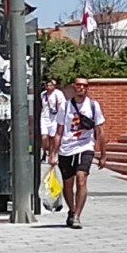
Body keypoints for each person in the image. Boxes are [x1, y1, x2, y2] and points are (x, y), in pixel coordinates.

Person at [48, 77, 107, 229]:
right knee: (68, 184)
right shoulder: (65, 107)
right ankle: (71, 210)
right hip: (67, 149)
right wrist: (52, 153)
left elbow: (100, 132)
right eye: (79, 85)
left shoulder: (93, 106)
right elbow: (59, 131)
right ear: (74, 87)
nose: (81, 88)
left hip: (85, 146)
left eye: (84, 85)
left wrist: (103, 154)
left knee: (81, 179)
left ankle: (77, 215)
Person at [40, 79, 65, 160]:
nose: (48, 87)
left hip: (55, 117)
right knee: (44, 136)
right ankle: (44, 151)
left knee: (52, 137)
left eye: (51, 85)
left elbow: (62, 104)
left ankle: (51, 154)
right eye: (47, 85)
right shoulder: (43, 94)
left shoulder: (58, 93)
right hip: (45, 117)